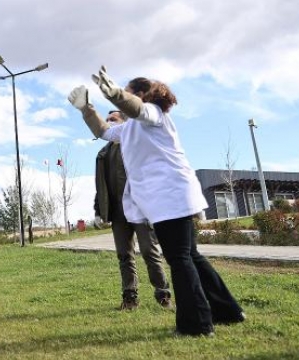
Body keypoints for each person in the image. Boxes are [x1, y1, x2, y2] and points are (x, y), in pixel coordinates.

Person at [68, 67, 245, 337]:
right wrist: (86, 109)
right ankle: (227, 311)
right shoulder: (128, 129)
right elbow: (104, 131)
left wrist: (115, 93)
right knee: (191, 256)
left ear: (141, 94)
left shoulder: (154, 114)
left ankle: (196, 325)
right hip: (164, 200)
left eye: (128, 92)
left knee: (179, 258)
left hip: (171, 196)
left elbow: (138, 109)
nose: (123, 99)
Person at [94, 109, 172, 311]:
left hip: (140, 209)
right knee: (124, 255)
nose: (109, 122)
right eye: (107, 120)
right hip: (118, 214)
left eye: (114, 119)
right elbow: (101, 186)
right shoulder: (103, 153)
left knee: (149, 251)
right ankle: (130, 298)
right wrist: (98, 211)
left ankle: (163, 294)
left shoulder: (136, 145)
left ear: (124, 123)